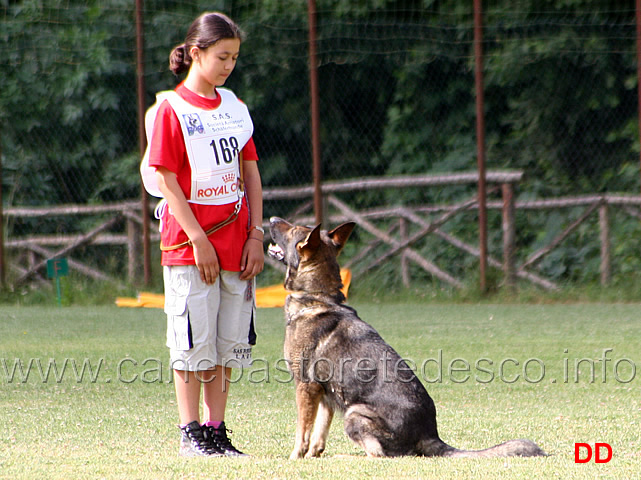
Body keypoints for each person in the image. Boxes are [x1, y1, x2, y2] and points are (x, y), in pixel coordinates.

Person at [140, 12, 264, 457]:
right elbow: (166, 178)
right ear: (196, 52)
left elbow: (250, 173)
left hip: (237, 243)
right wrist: (197, 238)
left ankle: (215, 430)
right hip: (190, 246)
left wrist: (255, 234)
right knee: (192, 340)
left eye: (234, 57)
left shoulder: (235, 107)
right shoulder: (172, 109)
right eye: (221, 56)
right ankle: (190, 431)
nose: (228, 65)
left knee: (228, 342)